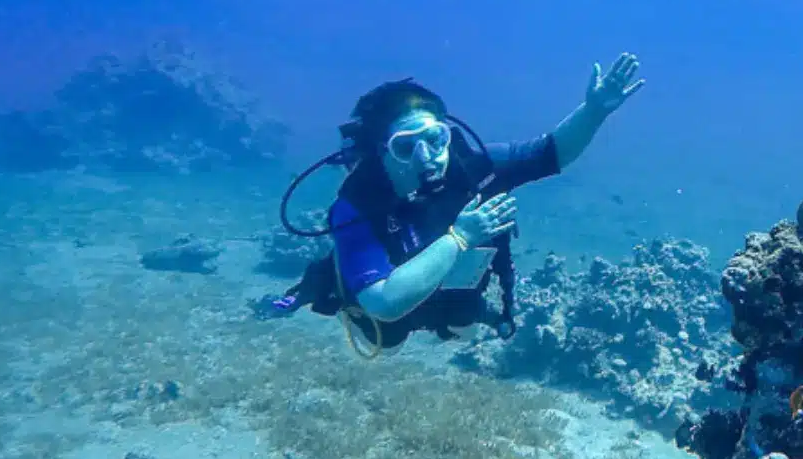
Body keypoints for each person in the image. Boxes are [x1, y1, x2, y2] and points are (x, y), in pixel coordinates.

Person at [272, 53, 643, 355]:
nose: (427, 157)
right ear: (381, 153)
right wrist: (460, 238)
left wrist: (594, 112)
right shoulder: (356, 204)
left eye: (435, 139)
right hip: (390, 301)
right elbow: (384, 303)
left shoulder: (475, 165)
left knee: (463, 325)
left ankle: (459, 308)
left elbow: (552, 153)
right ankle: (323, 278)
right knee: (385, 341)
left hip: (449, 290)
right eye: (405, 147)